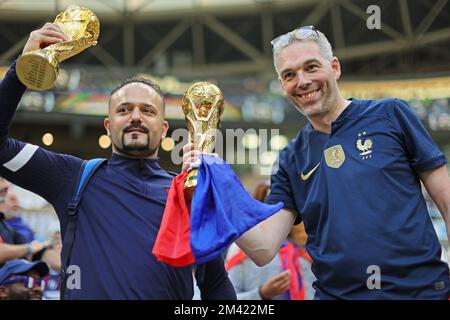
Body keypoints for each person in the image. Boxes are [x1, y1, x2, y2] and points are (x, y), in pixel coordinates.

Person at [184, 26, 450, 299]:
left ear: (334, 67)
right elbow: (263, 249)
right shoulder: (290, 160)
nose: (302, 81)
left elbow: (445, 199)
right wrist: (217, 187)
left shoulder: (391, 114)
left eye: (311, 67)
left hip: (420, 293)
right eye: (289, 74)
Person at [0, 23, 236, 300]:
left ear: (163, 129)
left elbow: (216, 285)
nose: (135, 116)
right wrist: (21, 71)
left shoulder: (187, 194)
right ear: (108, 126)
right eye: (124, 110)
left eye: (147, 110)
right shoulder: (72, 178)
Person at [225, 182, 315, 300]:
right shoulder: (243, 245)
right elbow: (227, 298)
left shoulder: (303, 246)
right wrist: (262, 293)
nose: (277, 214)